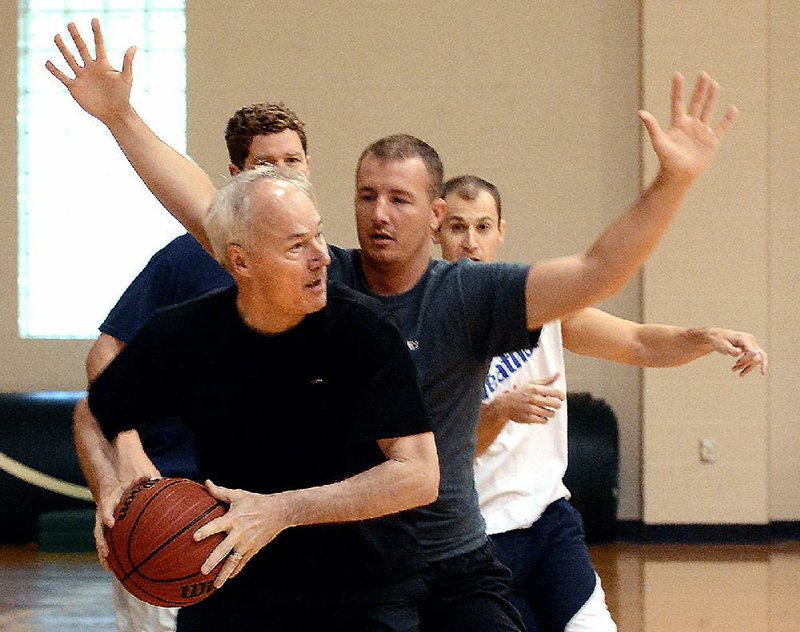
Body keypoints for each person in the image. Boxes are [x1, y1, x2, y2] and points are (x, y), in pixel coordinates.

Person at [49, 19, 738, 631]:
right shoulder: (320, 274)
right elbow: (207, 208)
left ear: (434, 215)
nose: (379, 213)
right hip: (341, 561)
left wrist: (671, 183)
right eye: (366, 195)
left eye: (400, 199)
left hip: (451, 556)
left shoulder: (472, 295)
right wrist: (121, 119)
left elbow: (597, 270)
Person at [73, 166, 440, 631]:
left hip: (360, 594)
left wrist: (282, 511)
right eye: (296, 246)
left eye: (319, 236)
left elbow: (418, 475)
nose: (321, 257)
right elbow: (92, 413)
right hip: (231, 581)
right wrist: (109, 482)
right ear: (241, 262)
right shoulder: (187, 334)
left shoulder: (363, 333)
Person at [434, 174, 768, 631]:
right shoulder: (424, 324)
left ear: (501, 232)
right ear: (436, 229)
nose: (471, 242)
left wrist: (704, 337)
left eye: (483, 227)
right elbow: (441, 458)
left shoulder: (535, 305)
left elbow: (637, 343)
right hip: (475, 536)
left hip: (548, 521)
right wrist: (498, 412)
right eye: (457, 227)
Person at [85, 101, 308, 632]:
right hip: (171, 507)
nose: (282, 174)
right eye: (264, 165)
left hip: (262, 519)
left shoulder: (317, 270)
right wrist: (131, 454)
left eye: (293, 160)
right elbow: (104, 358)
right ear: (234, 177)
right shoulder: (188, 258)